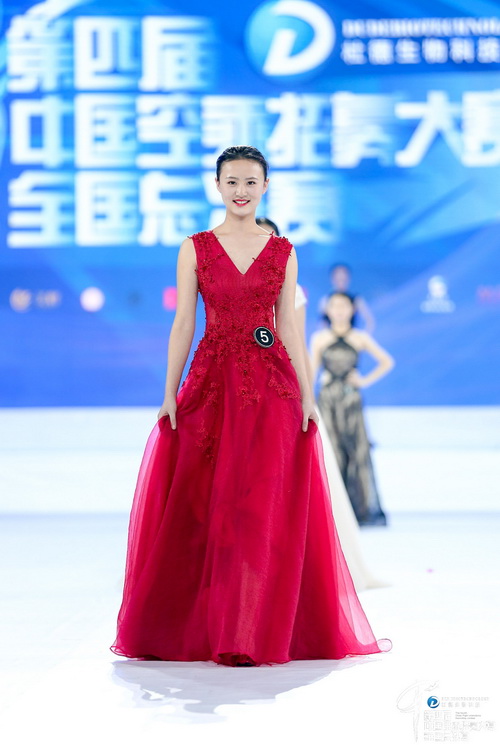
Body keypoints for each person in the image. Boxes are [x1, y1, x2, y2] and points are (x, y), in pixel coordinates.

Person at [111, 146, 391, 666]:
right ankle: (207, 625)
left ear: (266, 186)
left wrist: (307, 396)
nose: (241, 191)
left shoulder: (283, 251)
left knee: (264, 506)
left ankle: (259, 627)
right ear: (217, 186)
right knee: (203, 505)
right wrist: (169, 392)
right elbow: (183, 324)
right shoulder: (195, 248)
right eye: (232, 182)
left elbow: (289, 329)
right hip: (210, 386)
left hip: (272, 388)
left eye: (250, 182)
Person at [257, 217, 387, 591]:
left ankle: (304, 560)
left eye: (267, 237)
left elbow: (293, 343)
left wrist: (303, 393)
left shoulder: (292, 289)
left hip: (284, 387)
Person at [311, 292, 394, 526]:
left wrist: (364, 381)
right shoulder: (319, 338)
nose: (339, 310)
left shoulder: (360, 337)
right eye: (334, 306)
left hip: (351, 402)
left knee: (357, 452)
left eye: (344, 306)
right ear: (327, 310)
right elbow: (311, 370)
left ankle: (359, 509)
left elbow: (387, 361)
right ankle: (332, 510)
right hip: (328, 401)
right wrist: (307, 399)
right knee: (332, 452)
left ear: (352, 310)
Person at [319, 263, 375, 333]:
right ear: (332, 278)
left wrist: (362, 337)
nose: (341, 278)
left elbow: (369, 321)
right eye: (338, 277)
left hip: (351, 338)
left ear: (348, 278)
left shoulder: (356, 299)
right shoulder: (326, 300)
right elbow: (322, 323)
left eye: (343, 277)